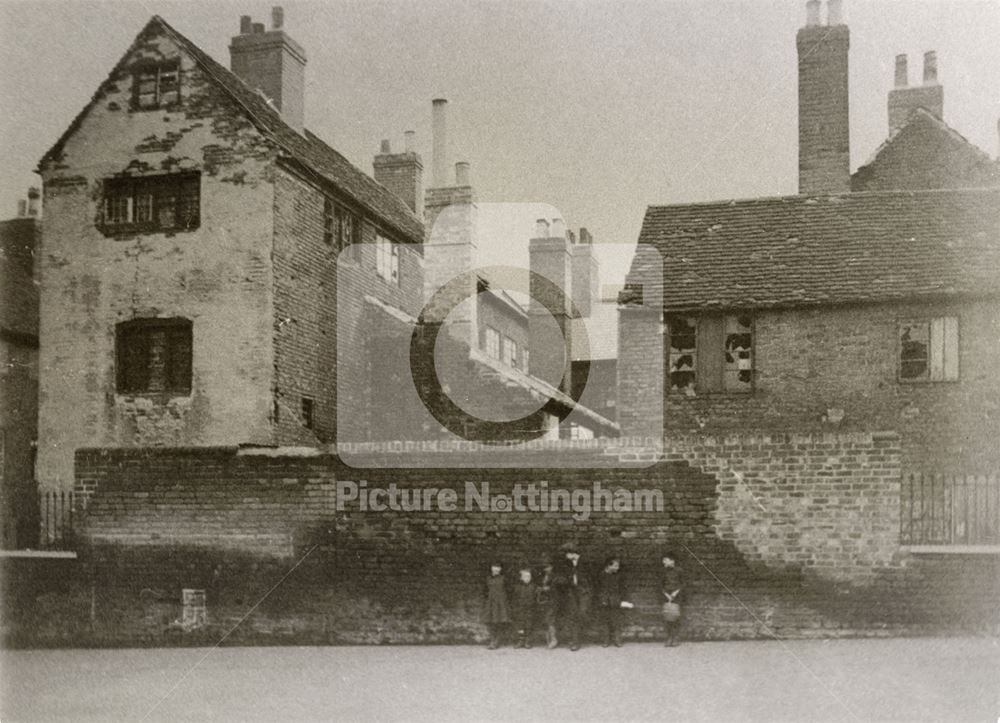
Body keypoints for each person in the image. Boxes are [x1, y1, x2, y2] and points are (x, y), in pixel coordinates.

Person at [554, 541, 590, 651]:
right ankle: (575, 641)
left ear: (573, 553)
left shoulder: (585, 562)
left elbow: (591, 578)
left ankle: (580, 636)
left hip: (584, 592)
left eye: (567, 554)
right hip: (571, 592)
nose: (565, 556)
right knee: (573, 615)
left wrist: (587, 590)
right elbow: (559, 577)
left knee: (582, 613)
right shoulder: (564, 563)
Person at [595, 555, 628, 647]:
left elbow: (623, 589)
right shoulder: (600, 575)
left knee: (616, 621)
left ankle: (617, 639)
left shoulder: (619, 576)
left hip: (615, 601)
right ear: (608, 566)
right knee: (605, 621)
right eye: (615, 566)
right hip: (604, 601)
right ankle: (606, 640)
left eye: (618, 566)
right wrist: (601, 599)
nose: (617, 568)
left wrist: (622, 600)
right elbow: (597, 589)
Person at [482, 560, 510, 650]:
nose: (496, 569)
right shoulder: (488, 578)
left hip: (501, 602)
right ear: (491, 568)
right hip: (491, 602)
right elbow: (485, 591)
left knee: (499, 621)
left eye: (498, 568)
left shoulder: (504, 578)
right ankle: (492, 640)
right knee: (491, 621)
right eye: (494, 567)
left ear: (500, 569)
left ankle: (497, 641)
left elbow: (509, 590)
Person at [661, 550, 685, 647]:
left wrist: (676, 592)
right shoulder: (663, 571)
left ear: (672, 561)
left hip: (677, 597)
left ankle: (675, 637)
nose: (664, 562)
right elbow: (660, 585)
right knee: (667, 617)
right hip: (666, 597)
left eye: (666, 560)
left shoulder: (679, 571)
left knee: (676, 617)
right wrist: (666, 594)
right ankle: (669, 637)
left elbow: (684, 584)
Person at [511, 565, 537, 649]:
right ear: (521, 578)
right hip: (520, 608)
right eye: (525, 576)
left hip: (530, 608)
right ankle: (520, 640)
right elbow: (514, 598)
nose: (527, 578)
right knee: (520, 624)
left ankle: (528, 641)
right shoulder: (517, 587)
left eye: (529, 576)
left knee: (529, 624)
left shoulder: (533, 586)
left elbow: (537, 598)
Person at [536, 555, 559, 649]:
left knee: (550, 619)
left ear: (552, 567)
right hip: (544, 601)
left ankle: (554, 639)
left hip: (553, 600)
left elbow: (556, 588)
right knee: (546, 620)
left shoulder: (555, 576)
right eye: (545, 567)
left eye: (548, 567)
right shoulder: (542, 576)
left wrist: (547, 589)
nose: (546, 569)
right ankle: (548, 640)